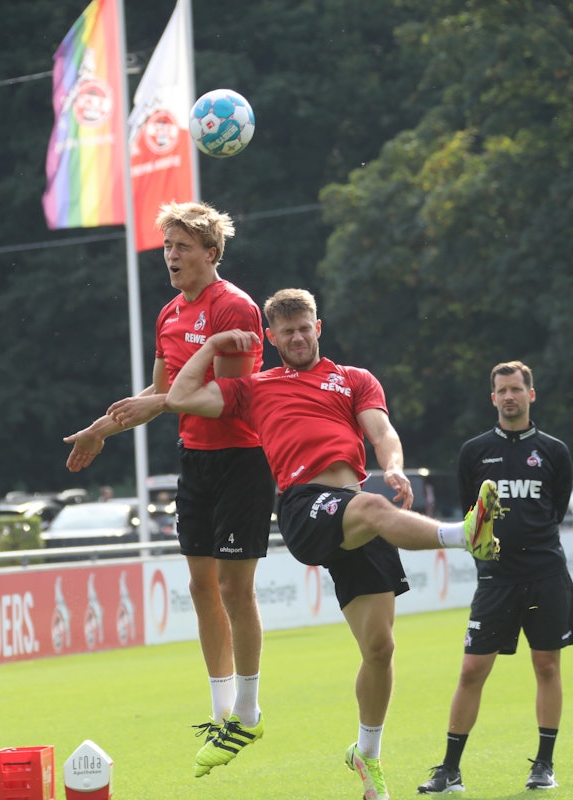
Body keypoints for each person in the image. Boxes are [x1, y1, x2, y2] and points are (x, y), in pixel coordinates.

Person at [164, 288, 501, 800]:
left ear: (319, 327)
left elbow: (382, 430)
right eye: (287, 331)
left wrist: (391, 466)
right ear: (272, 338)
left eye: (305, 327)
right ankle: (464, 535)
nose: (298, 338)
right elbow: (180, 397)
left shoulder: (355, 379)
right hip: (306, 505)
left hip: (357, 511)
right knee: (368, 507)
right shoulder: (254, 387)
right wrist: (211, 348)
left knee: (381, 649)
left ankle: (367, 754)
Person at [64, 201, 275, 777]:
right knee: (201, 586)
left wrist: (148, 404)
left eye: (183, 247)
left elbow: (224, 396)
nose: (172, 256)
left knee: (236, 587)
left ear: (211, 253)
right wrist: (100, 430)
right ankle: (221, 711)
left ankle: (249, 711)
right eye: (168, 247)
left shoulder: (235, 307)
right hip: (196, 461)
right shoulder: (166, 315)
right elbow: (160, 396)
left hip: (241, 456)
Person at [416, 360, 573, 793]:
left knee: (546, 665)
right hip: (495, 579)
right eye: (501, 391)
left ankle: (543, 764)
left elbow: (555, 511)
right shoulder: (474, 451)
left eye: (516, 389)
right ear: (492, 398)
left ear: (531, 394)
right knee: (472, 670)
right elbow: (474, 519)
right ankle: (450, 770)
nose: (509, 396)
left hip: (546, 574)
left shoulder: (554, 451)